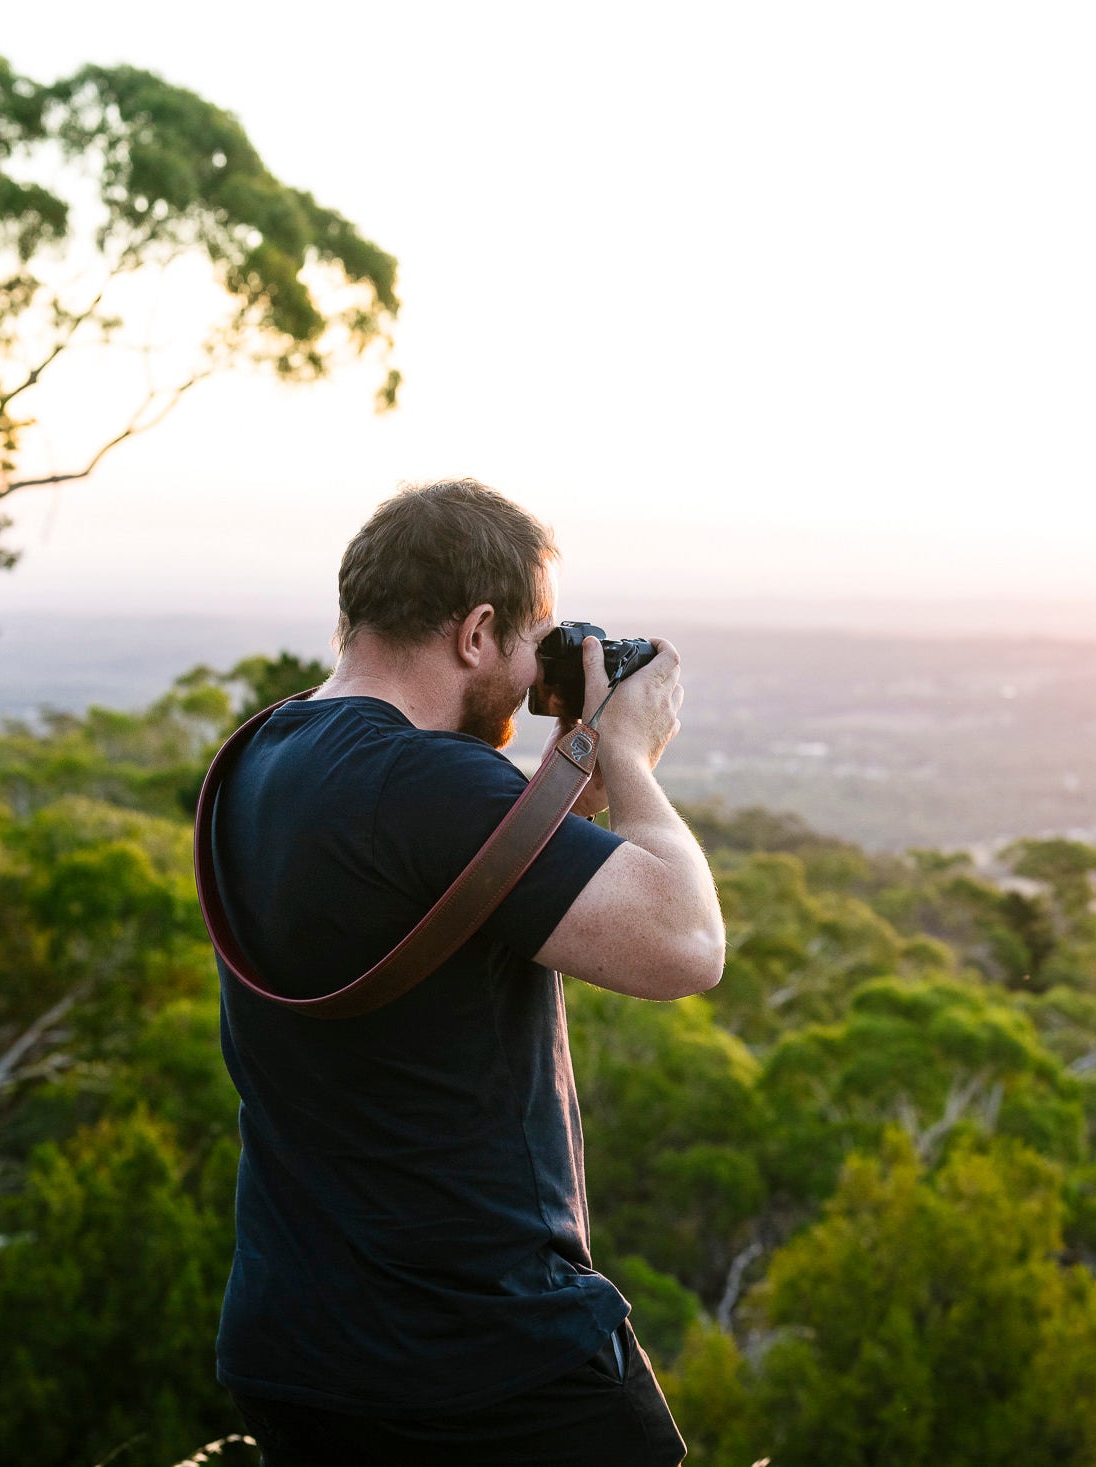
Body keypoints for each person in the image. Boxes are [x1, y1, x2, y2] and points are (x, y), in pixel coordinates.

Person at [209, 479, 724, 1466]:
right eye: (534, 646)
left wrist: (566, 762)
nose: (536, 676)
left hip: (298, 1350)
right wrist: (629, 756)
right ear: (477, 632)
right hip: (484, 1366)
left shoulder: (262, 757)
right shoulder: (421, 781)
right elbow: (685, 944)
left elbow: (461, 874)